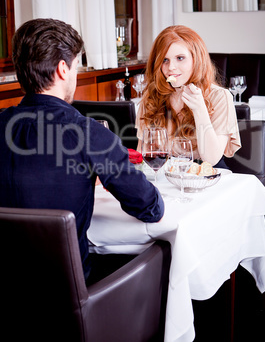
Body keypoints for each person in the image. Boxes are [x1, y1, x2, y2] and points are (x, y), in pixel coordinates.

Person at [0, 18, 164, 283]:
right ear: (63, 69)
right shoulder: (89, 134)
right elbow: (150, 208)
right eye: (77, 66)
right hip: (69, 296)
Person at [136, 25, 241, 167]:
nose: (171, 67)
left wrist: (199, 109)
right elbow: (142, 154)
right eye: (165, 60)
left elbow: (211, 160)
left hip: (206, 175)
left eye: (180, 58)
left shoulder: (220, 97)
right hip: (164, 175)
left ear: (196, 59)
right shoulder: (152, 96)